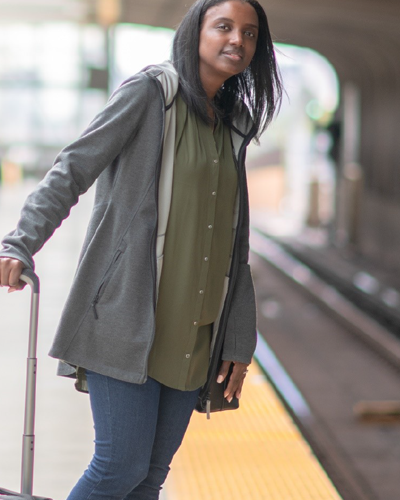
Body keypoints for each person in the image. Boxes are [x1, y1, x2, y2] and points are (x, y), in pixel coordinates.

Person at [0, 0, 282, 498]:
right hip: (129, 318)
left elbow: (235, 246)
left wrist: (239, 338)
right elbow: (72, 170)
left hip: (195, 332)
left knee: (150, 477)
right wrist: (19, 243)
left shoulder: (234, 123)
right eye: (223, 26)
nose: (237, 39)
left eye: (250, 32)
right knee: (118, 469)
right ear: (196, 31)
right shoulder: (151, 95)